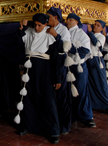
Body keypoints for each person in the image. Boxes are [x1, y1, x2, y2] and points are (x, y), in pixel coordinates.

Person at [15, 13, 61, 144]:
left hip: (44, 71)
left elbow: (56, 59)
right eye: (35, 25)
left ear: (46, 24)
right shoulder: (28, 33)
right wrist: (21, 28)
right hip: (29, 70)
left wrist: (57, 78)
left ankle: (52, 131)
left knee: (47, 100)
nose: (37, 28)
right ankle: (26, 126)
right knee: (27, 98)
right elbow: (18, 44)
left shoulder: (49, 37)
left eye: (40, 25)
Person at [65, 13, 95, 127]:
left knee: (80, 91)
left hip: (78, 66)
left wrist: (70, 48)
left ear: (77, 22)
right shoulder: (65, 32)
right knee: (68, 91)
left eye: (71, 19)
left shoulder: (81, 34)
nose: (68, 21)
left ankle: (86, 116)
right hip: (67, 66)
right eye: (67, 19)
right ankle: (71, 114)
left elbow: (84, 51)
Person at [46, 7, 72, 135]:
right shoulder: (46, 28)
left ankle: (64, 125)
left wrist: (56, 36)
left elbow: (64, 48)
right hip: (50, 63)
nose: (47, 20)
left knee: (61, 95)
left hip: (60, 64)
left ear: (56, 18)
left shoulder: (63, 30)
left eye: (49, 17)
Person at [86, 20, 108, 115]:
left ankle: (107, 105)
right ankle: (94, 104)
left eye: (98, 25)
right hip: (89, 59)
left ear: (102, 28)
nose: (95, 26)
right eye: (95, 24)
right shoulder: (89, 35)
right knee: (91, 83)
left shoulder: (101, 36)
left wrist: (90, 32)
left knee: (101, 82)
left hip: (97, 60)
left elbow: (97, 44)